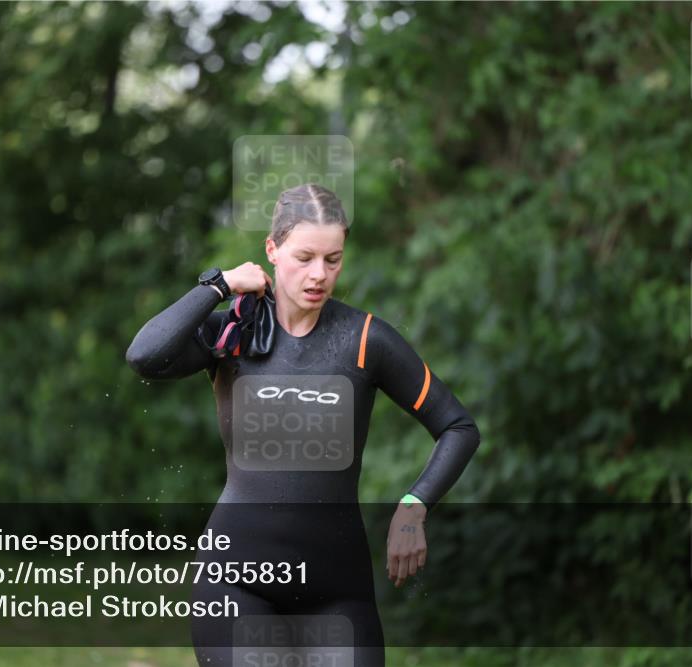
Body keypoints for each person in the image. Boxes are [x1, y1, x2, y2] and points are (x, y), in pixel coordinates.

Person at [126, 183, 481, 666]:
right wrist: (218, 285)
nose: (319, 274)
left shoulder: (364, 340)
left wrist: (414, 506)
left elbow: (457, 427)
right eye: (304, 257)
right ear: (271, 250)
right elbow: (145, 356)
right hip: (235, 582)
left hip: (338, 590)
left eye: (333, 260)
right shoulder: (233, 332)